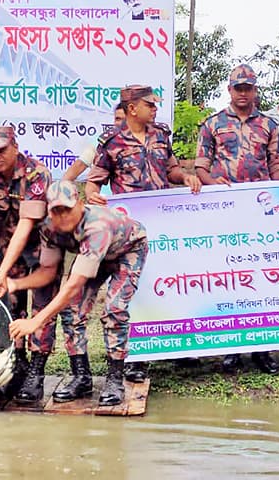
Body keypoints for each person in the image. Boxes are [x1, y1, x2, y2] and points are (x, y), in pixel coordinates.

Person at [85, 84, 200, 382]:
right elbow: (93, 183)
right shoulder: (111, 142)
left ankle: (175, 347)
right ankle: (136, 355)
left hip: (163, 223)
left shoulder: (161, 135)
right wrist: (93, 195)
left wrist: (185, 176)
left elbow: (171, 169)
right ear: (132, 108)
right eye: (150, 104)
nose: (155, 108)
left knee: (170, 281)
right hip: (130, 232)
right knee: (134, 291)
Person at [8, 181, 148, 406]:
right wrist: (15, 284)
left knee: (114, 309)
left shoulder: (96, 226)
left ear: (80, 204)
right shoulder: (48, 228)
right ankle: (81, 377)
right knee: (73, 310)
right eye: (56, 211)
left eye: (67, 209)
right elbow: (47, 271)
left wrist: (35, 321)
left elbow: (73, 284)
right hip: (92, 257)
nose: (63, 216)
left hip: (127, 250)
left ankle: (115, 380)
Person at [195, 64, 279, 375]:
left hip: (259, 214)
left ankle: (261, 349)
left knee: (260, 279)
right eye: (238, 88)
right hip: (224, 212)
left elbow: (275, 166)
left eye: (248, 88)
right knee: (230, 277)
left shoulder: (269, 125)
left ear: (255, 90)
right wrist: (209, 181)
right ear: (230, 90)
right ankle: (230, 348)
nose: (243, 93)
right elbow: (201, 167)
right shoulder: (212, 124)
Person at [0, 126, 57, 403]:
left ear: (15, 146)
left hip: (42, 245)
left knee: (41, 307)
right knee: (9, 303)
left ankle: (36, 374)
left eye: (1, 150)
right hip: (7, 245)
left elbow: (27, 225)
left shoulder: (37, 174)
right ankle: (16, 366)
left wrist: (1, 272)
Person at [62, 102, 127, 188]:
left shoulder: (146, 143)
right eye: (118, 119)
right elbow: (79, 165)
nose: (121, 123)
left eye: (125, 119)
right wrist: (60, 189)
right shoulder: (103, 142)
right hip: (105, 199)